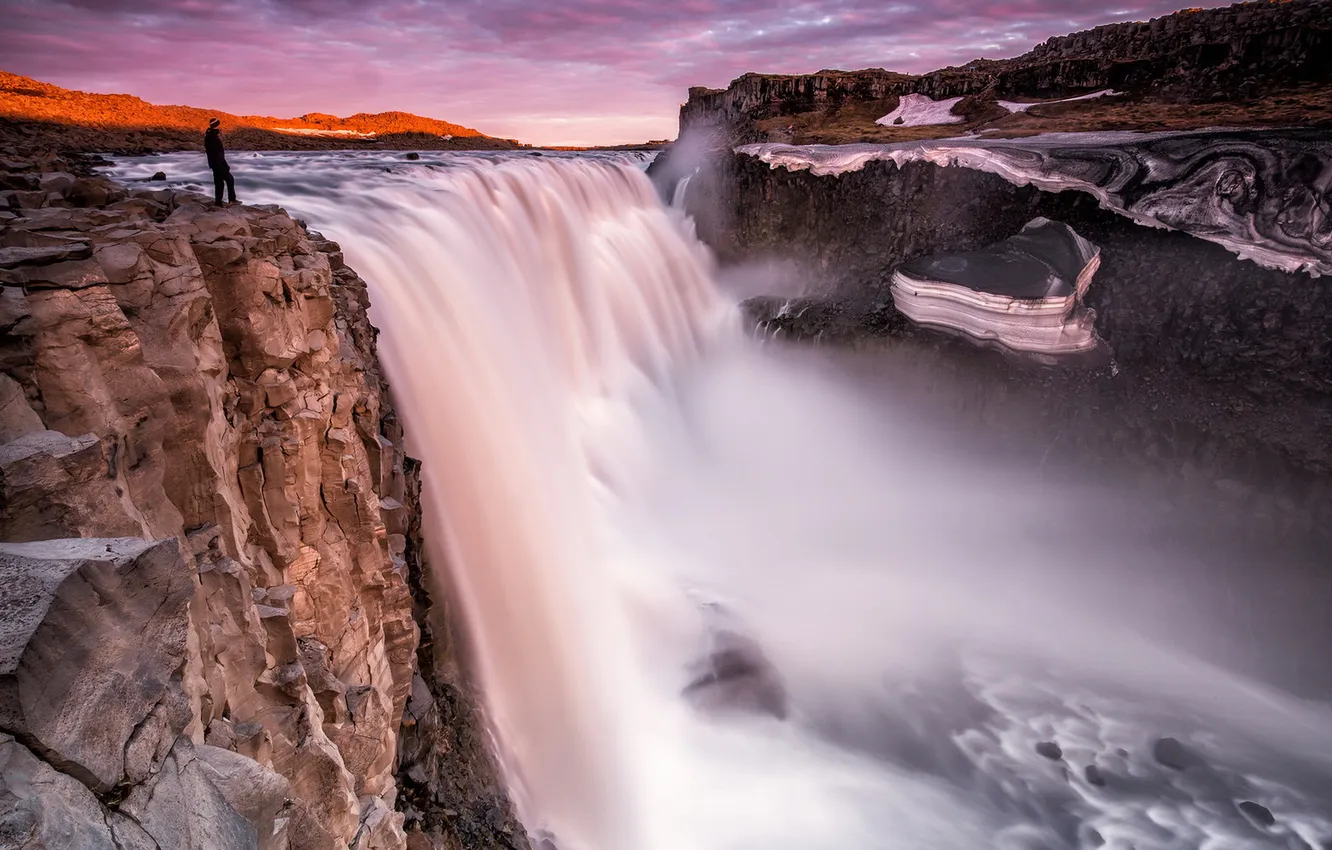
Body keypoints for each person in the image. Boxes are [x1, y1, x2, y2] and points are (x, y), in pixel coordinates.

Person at [204, 118, 239, 206]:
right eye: (220, 125)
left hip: (214, 164)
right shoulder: (212, 137)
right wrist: (225, 165)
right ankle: (232, 200)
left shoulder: (209, 135)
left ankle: (218, 202)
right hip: (218, 163)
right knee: (230, 179)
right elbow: (217, 153)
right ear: (217, 125)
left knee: (219, 182)